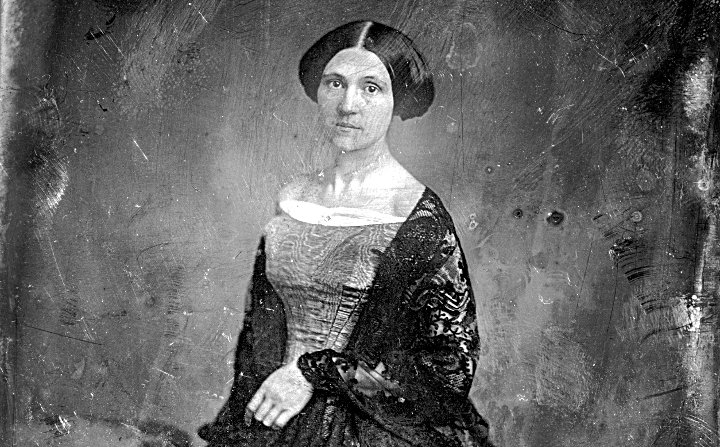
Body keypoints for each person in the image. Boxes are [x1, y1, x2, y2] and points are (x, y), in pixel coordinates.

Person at [198, 20, 492, 446]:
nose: (348, 105)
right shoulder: (292, 197)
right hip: (274, 416)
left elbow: (449, 372)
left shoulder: (419, 218)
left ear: (396, 100)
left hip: (365, 428)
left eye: (371, 88)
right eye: (335, 83)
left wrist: (313, 373)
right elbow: (257, 337)